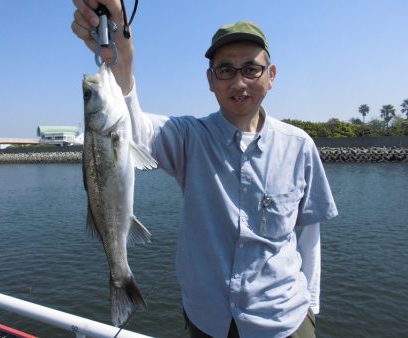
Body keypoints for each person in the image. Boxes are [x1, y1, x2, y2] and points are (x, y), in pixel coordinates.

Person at [72, 1, 338, 337]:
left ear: (271, 77)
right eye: (226, 70)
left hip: (284, 320)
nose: (239, 81)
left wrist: (311, 307)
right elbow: (136, 129)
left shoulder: (299, 145)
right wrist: (121, 49)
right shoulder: (189, 137)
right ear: (210, 80)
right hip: (206, 321)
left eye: (251, 69)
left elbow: (308, 237)